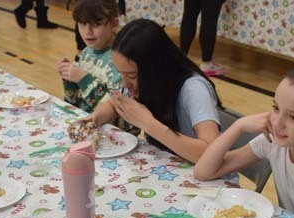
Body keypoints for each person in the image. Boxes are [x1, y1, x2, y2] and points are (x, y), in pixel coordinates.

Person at [195, 65, 294, 217]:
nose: (277, 123)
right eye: (276, 108)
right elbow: (203, 172)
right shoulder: (273, 142)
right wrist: (238, 126)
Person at [88, 18, 220, 163]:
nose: (125, 84)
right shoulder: (143, 83)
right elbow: (115, 103)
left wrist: (147, 123)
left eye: (132, 76)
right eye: (121, 74)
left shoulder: (194, 89)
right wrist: (96, 117)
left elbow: (211, 154)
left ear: (156, 68)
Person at [58, 0, 121, 112]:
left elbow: (114, 113)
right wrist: (69, 79)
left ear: (114, 24)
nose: (88, 32)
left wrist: (84, 80)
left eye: (96, 24)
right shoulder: (87, 52)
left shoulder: (120, 60)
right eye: (82, 24)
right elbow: (75, 102)